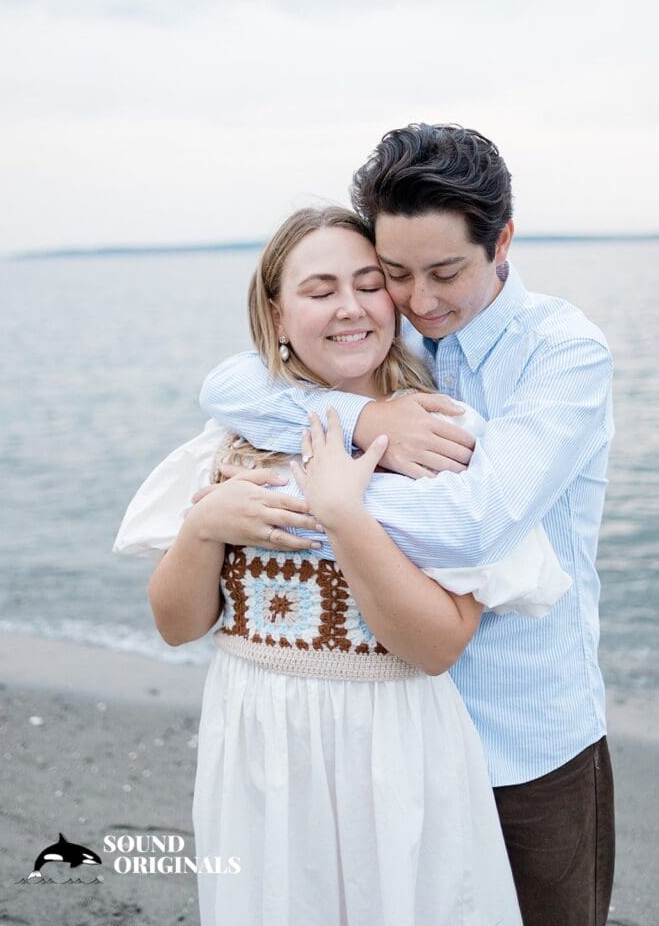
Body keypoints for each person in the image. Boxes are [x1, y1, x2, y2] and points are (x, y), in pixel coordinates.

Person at [199, 125, 616, 926]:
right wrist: (361, 417)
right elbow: (226, 384)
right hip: (386, 736)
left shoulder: (564, 354)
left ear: (502, 241)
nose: (420, 301)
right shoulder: (388, 345)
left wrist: (313, 493)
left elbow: (473, 525)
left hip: (519, 739)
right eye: (396, 274)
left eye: (445, 272)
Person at [114, 206, 572, 925]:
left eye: (369, 283)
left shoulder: (438, 439)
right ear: (276, 308)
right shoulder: (232, 440)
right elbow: (177, 626)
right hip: (255, 743)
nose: (350, 308)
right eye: (320, 289)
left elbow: (435, 648)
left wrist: (345, 516)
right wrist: (202, 527)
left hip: (392, 750)